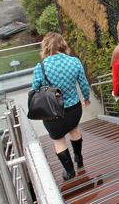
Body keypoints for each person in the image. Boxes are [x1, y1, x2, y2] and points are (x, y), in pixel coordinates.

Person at [31, 32, 91, 180]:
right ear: (63, 45)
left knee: (58, 140)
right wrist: (87, 98)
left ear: (45, 47)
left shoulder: (41, 67)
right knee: (74, 130)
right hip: (74, 109)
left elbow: (35, 89)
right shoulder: (74, 62)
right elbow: (83, 84)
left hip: (53, 112)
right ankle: (79, 158)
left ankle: (70, 171)